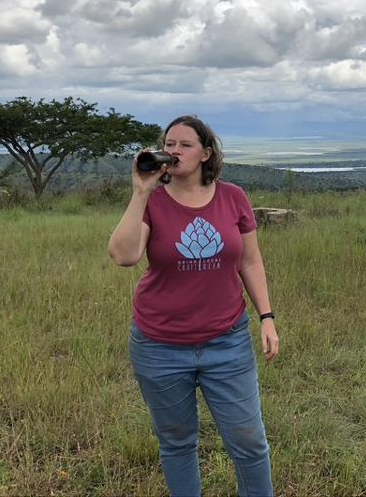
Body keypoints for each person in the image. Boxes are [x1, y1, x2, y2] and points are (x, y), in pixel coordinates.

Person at [108, 115, 278, 497]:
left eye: (185, 145)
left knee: (248, 442)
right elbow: (124, 256)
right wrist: (140, 193)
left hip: (227, 341)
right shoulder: (152, 201)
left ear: (205, 153)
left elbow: (250, 261)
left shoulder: (233, 197)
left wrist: (266, 317)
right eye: (169, 144)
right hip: (159, 345)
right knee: (178, 443)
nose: (174, 151)